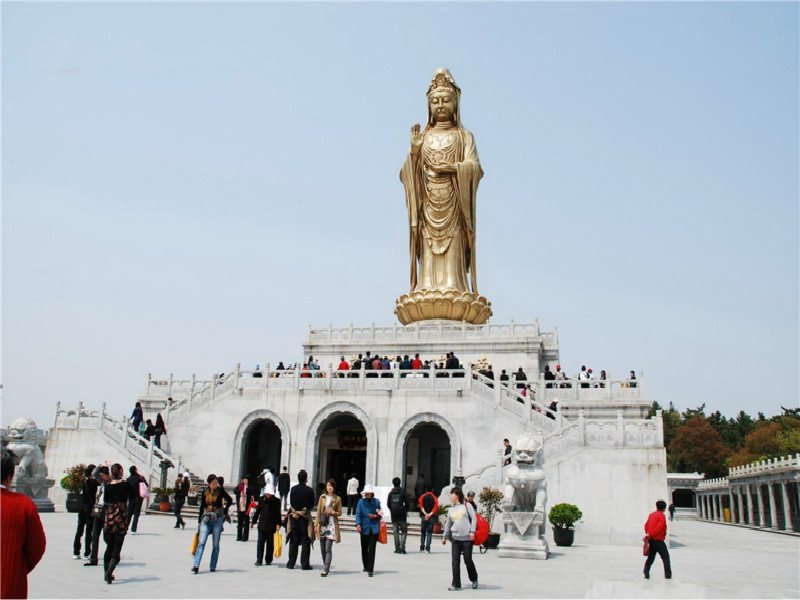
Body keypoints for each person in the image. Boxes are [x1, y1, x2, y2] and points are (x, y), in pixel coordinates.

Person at [400, 68, 483, 297]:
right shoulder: (423, 137)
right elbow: (408, 173)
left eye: (446, 100)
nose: (440, 105)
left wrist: (454, 169)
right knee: (428, 252)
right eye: (435, 101)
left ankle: (454, 287)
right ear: (429, 105)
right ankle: (425, 286)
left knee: (453, 250)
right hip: (428, 206)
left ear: (455, 103)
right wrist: (415, 151)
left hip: (454, 204)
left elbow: (475, 168)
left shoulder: (464, 136)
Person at [1, 449, 46, 599]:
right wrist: (17, 566)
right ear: (9, 477)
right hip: (10, 583)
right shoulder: (23, 504)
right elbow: (37, 546)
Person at [192, 474, 232, 574]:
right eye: (213, 483)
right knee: (201, 542)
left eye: (216, 483)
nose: (215, 485)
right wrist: (199, 522)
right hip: (206, 518)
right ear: (209, 484)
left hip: (217, 519)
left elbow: (230, 500)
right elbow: (202, 506)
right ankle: (196, 565)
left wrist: (224, 511)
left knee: (215, 544)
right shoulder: (205, 491)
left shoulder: (220, 490)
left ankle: (213, 565)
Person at [441, 487, 478, 591]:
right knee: (455, 562)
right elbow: (448, 524)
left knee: (468, 560)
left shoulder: (467, 505)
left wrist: (472, 531)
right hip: (455, 539)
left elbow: (474, 518)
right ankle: (456, 583)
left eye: (452, 494)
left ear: (457, 495)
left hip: (467, 538)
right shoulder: (451, 509)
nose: (450, 496)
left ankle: (474, 578)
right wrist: (444, 536)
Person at [102, 463, 134, 584]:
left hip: (110, 517)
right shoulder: (125, 484)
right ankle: (109, 572)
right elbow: (133, 496)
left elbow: (105, 500)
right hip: (120, 517)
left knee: (109, 547)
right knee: (117, 548)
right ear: (120, 471)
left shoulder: (108, 485)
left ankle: (106, 573)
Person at [286, 469, 314, 570]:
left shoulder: (293, 489)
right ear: (306, 479)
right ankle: (304, 563)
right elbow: (311, 505)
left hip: (294, 517)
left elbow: (291, 502)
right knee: (306, 540)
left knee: (294, 540)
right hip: (304, 518)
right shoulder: (309, 490)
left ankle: (291, 563)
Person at [314, 478, 342, 577]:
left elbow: (340, 512)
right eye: (328, 485)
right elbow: (318, 512)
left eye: (331, 486)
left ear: (334, 487)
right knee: (322, 548)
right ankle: (326, 565)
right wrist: (316, 525)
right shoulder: (322, 497)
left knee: (328, 548)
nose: (329, 487)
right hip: (322, 525)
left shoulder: (337, 499)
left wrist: (333, 512)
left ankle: (326, 568)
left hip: (331, 526)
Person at [85, 465, 110, 566]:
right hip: (98, 509)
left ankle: (112, 554)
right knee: (95, 535)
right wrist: (100, 466)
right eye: (101, 476)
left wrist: (110, 466)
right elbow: (94, 474)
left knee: (106, 536)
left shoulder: (112, 483)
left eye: (104, 475)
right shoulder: (103, 483)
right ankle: (93, 559)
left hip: (106, 510)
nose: (102, 477)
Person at [251, 484, 282, 566]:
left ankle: (268, 559)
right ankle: (259, 559)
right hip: (262, 524)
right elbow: (258, 511)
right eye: (267, 493)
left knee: (270, 544)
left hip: (271, 525)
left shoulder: (276, 501)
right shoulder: (261, 499)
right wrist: (253, 521)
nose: (268, 495)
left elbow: (278, 514)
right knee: (260, 543)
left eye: (270, 494)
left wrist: (279, 524)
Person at [355, 484, 382, 577]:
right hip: (364, 527)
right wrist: (358, 524)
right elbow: (358, 514)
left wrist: (375, 516)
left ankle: (371, 569)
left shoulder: (377, 502)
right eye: (367, 493)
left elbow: (380, 514)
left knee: (372, 549)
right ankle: (366, 565)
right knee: (364, 547)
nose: (368, 494)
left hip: (373, 528)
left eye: (369, 493)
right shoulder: (361, 502)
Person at [73, 463, 98, 560]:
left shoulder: (84, 481)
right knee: (88, 531)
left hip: (82, 508)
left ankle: (76, 552)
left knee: (79, 530)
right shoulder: (94, 482)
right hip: (89, 508)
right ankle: (87, 552)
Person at [643, 499, 672, 580]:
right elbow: (660, 527)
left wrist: (648, 534)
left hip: (651, 539)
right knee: (665, 556)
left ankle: (646, 571)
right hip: (658, 539)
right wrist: (652, 534)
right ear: (664, 508)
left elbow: (646, 525)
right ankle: (668, 573)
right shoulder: (661, 516)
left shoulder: (651, 515)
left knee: (651, 557)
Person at [387, 476, 408, 554]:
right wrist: (404, 509)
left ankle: (397, 548)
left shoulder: (391, 493)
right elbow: (407, 503)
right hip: (402, 514)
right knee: (404, 530)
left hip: (394, 515)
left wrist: (392, 510)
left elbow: (388, 504)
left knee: (395, 531)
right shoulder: (403, 492)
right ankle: (402, 548)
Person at [126, 465, 146, 533]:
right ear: (135, 470)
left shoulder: (128, 479)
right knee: (136, 514)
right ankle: (133, 529)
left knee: (129, 514)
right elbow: (146, 485)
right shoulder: (140, 478)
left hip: (131, 498)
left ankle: (125, 528)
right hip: (138, 498)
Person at [418, 483, 438, 553]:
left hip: (424, 516)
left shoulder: (422, 496)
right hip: (431, 516)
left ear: (426, 489)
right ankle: (428, 548)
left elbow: (420, 505)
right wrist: (429, 514)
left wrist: (425, 513)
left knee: (423, 532)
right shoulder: (435, 498)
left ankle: (422, 547)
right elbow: (435, 508)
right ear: (432, 490)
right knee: (429, 533)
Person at [235, 476, 255, 541]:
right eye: (244, 480)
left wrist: (247, 495)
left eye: (247, 480)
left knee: (246, 522)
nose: (245, 481)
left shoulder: (250, 487)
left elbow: (252, 494)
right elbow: (235, 492)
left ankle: (245, 537)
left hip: (247, 506)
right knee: (240, 522)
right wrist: (241, 493)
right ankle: (239, 536)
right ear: (242, 480)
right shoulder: (239, 486)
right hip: (240, 506)